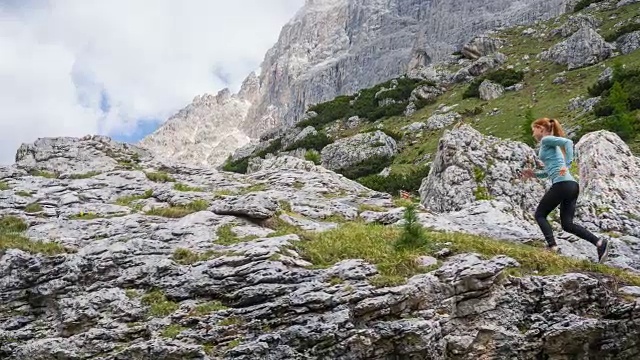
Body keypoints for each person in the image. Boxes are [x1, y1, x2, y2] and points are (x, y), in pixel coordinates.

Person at [520, 117, 610, 263]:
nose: (533, 134)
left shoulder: (546, 140)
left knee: (540, 214)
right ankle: (599, 243)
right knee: (567, 225)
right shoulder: (549, 145)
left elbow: (568, 142)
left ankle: (552, 247)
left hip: (562, 184)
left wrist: (567, 164)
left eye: (533, 130)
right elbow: (550, 172)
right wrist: (534, 174)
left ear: (540, 128)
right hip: (571, 186)